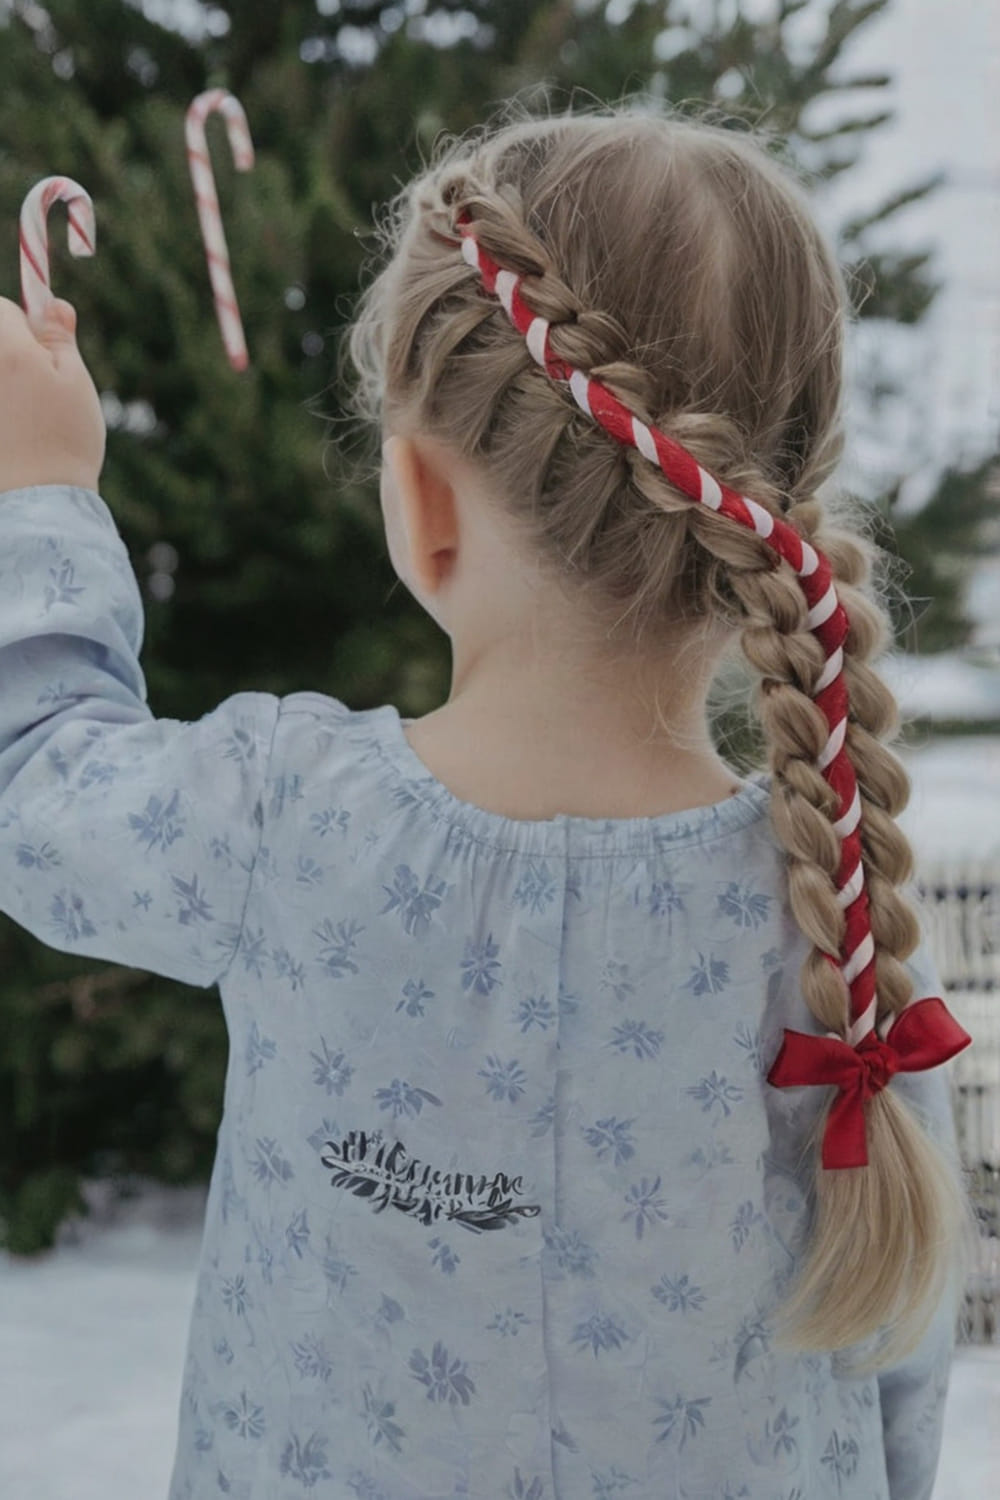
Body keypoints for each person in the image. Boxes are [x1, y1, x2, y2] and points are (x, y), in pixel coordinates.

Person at [0, 105, 976, 1500]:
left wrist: (38, 494)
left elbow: (33, 777)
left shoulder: (284, 824)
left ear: (421, 501)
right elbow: (897, 1332)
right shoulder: (836, 916)